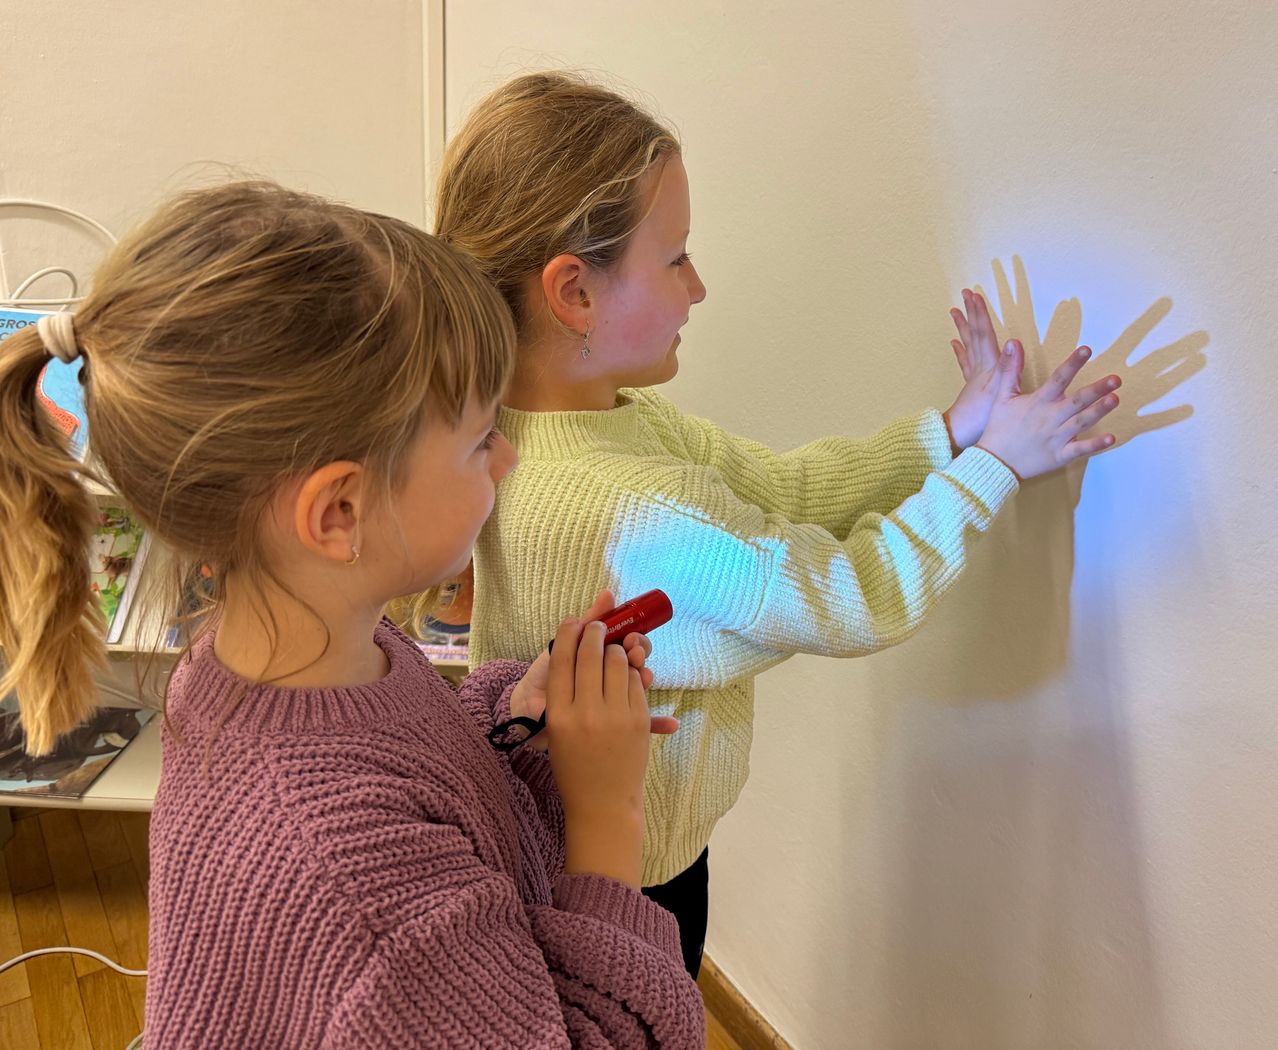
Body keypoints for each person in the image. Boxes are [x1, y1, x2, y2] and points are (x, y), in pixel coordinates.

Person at [432, 71, 1122, 978]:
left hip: (566, 848)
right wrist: (996, 468)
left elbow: (781, 488)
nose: (700, 286)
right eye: (676, 257)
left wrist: (949, 436)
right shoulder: (633, 503)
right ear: (575, 293)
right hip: (626, 881)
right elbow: (850, 597)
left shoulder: (559, 428)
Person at [0, 180, 704, 1047]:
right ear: (340, 514)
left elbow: (424, 777)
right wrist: (609, 818)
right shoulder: (363, 896)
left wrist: (515, 718)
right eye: (482, 435)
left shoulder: (298, 654)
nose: (510, 456)